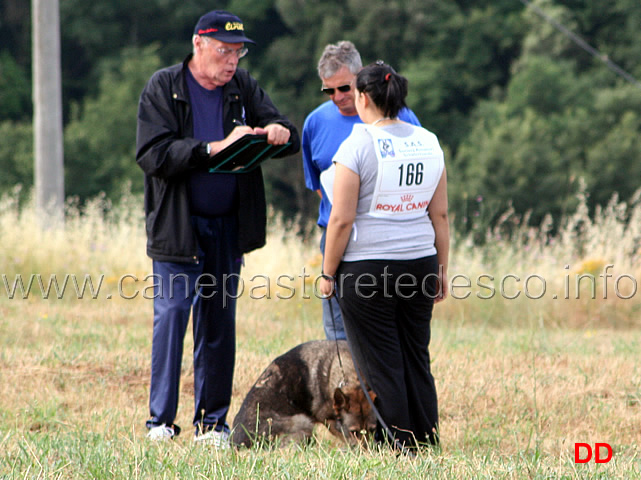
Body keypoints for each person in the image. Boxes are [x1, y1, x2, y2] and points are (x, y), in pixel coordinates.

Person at [135, 10, 300, 446]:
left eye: (238, 53)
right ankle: (161, 424)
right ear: (199, 46)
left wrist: (279, 132)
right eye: (225, 52)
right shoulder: (164, 87)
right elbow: (153, 154)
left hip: (228, 229)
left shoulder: (242, 88)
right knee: (171, 318)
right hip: (178, 229)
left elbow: (287, 129)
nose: (232, 62)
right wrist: (211, 148)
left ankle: (212, 424)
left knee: (218, 324)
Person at [319, 61, 449, 450]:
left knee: (381, 364)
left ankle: (398, 447)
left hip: (368, 270)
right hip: (421, 261)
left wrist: (327, 273)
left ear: (362, 97)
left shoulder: (356, 145)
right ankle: (426, 443)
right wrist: (442, 270)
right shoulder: (429, 141)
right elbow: (439, 214)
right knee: (415, 357)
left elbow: (340, 220)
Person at [302, 41, 421, 341]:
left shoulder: (402, 117)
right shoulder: (315, 123)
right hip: (337, 240)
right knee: (339, 336)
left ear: (362, 78)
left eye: (344, 88)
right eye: (328, 91)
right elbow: (320, 185)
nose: (338, 97)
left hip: (390, 241)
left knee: (390, 333)